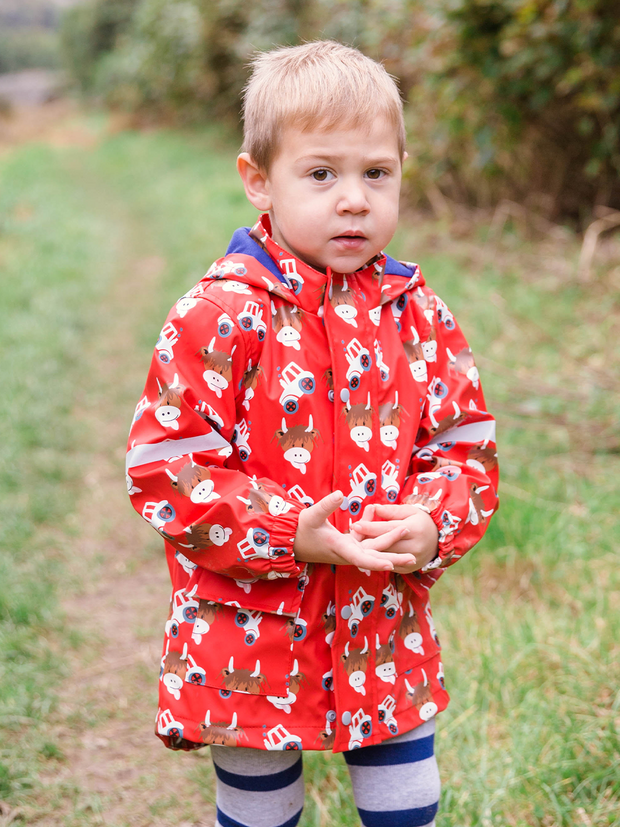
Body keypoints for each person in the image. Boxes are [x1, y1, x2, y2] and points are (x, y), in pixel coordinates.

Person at [126, 40, 499, 827]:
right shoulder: (220, 315)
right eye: (322, 173)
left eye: (376, 173)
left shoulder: (416, 316)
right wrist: (288, 531)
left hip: (380, 621)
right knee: (261, 806)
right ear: (258, 180)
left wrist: (435, 521)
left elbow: (465, 443)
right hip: (248, 629)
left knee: (407, 801)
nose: (355, 200)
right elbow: (165, 467)